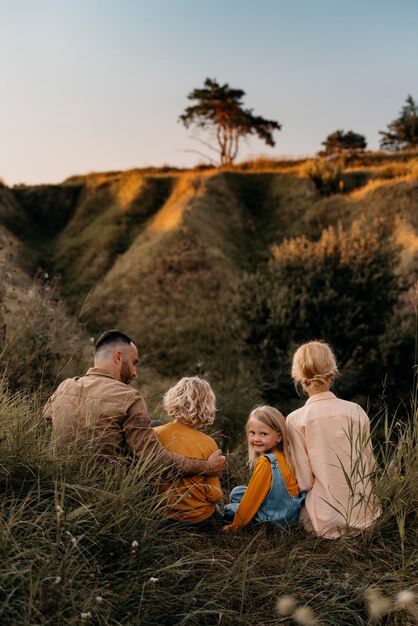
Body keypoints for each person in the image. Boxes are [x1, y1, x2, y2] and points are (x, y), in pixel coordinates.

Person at [43, 330, 225, 476]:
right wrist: (206, 466)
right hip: (107, 489)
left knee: (154, 426)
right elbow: (152, 459)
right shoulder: (129, 397)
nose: (135, 372)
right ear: (118, 357)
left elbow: (45, 425)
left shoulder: (65, 386)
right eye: (133, 362)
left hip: (58, 481)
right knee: (155, 428)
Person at [286, 340, 380, 539]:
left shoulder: (295, 420)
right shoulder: (356, 411)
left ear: (298, 376)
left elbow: (304, 481)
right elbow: (370, 466)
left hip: (324, 521)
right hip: (366, 516)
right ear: (332, 370)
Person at [154, 376, 223, 528]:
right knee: (219, 510)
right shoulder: (208, 443)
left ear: (172, 399)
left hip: (163, 516)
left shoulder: (155, 434)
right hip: (198, 519)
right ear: (207, 407)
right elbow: (214, 495)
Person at [223, 406, 305, 531]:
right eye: (252, 433)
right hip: (289, 514)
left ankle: (244, 520)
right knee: (237, 492)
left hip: (272, 519)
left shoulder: (266, 463)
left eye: (263, 434)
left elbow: (252, 498)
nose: (256, 439)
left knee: (229, 509)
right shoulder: (285, 456)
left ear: (279, 436)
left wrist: (235, 525)